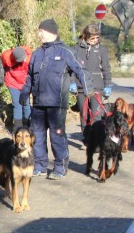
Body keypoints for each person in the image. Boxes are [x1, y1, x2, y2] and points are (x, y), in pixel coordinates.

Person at [20, 18, 90, 180]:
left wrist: (88, 88)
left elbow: (81, 70)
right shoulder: (37, 54)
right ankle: (40, 165)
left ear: (50, 32)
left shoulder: (65, 52)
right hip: (38, 103)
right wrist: (25, 93)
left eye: (41, 31)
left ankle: (60, 167)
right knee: (37, 136)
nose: (39, 35)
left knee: (57, 136)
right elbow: (29, 77)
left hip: (57, 104)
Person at [71, 24, 112, 141]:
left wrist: (108, 85)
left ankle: (96, 139)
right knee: (84, 115)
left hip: (97, 86)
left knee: (96, 114)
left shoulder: (102, 49)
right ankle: (86, 138)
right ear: (85, 36)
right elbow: (71, 67)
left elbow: (106, 69)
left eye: (97, 37)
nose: (95, 40)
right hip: (81, 86)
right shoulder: (76, 48)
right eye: (92, 38)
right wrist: (72, 82)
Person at [0, 44, 32, 129]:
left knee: (26, 103)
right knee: (17, 104)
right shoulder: (7, 57)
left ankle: (29, 126)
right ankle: (17, 128)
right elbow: (1, 66)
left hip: (25, 83)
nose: (22, 61)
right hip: (12, 82)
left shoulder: (31, 57)